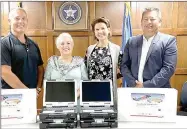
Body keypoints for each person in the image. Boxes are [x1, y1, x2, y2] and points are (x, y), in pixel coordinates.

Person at [120, 7, 177, 88]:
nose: (148, 22)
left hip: (158, 92)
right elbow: (124, 65)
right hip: (134, 90)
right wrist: (133, 83)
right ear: (141, 22)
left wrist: (146, 85)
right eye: (145, 19)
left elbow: (168, 68)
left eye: (152, 19)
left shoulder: (169, 41)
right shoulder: (131, 41)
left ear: (159, 22)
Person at [1, 8, 44, 94]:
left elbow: (40, 69)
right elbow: (5, 72)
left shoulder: (34, 44)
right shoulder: (3, 43)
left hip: (31, 97)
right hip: (11, 98)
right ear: (9, 21)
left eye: (23, 18)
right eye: (17, 18)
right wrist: (27, 92)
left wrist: (38, 88)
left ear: (27, 21)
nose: (21, 21)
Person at [84, 17, 121, 108]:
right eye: (97, 29)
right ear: (94, 32)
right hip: (91, 91)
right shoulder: (89, 49)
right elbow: (84, 69)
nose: (100, 31)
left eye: (102, 28)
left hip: (109, 92)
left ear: (108, 30)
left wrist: (114, 78)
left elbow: (123, 70)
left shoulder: (116, 49)